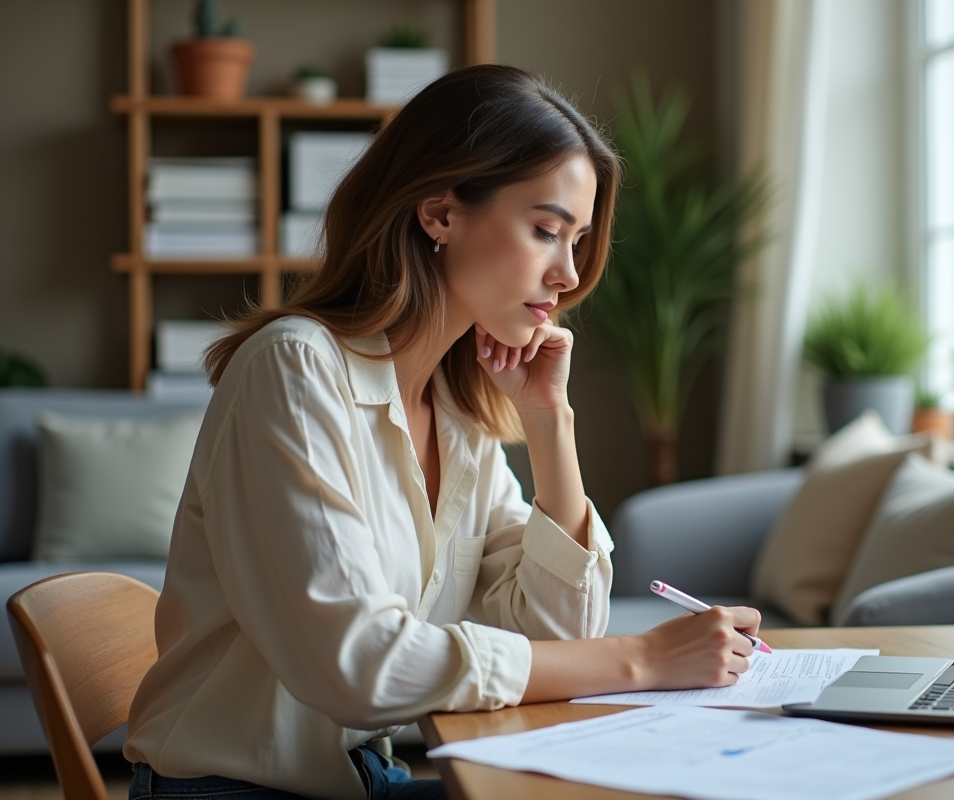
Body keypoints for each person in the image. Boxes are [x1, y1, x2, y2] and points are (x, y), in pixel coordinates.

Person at [123, 65, 761, 800]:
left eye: (579, 241)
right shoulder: (294, 372)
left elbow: (559, 635)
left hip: (364, 778)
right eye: (547, 231)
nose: (569, 274)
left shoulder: (456, 411)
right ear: (439, 213)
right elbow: (357, 667)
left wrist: (551, 425)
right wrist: (642, 661)